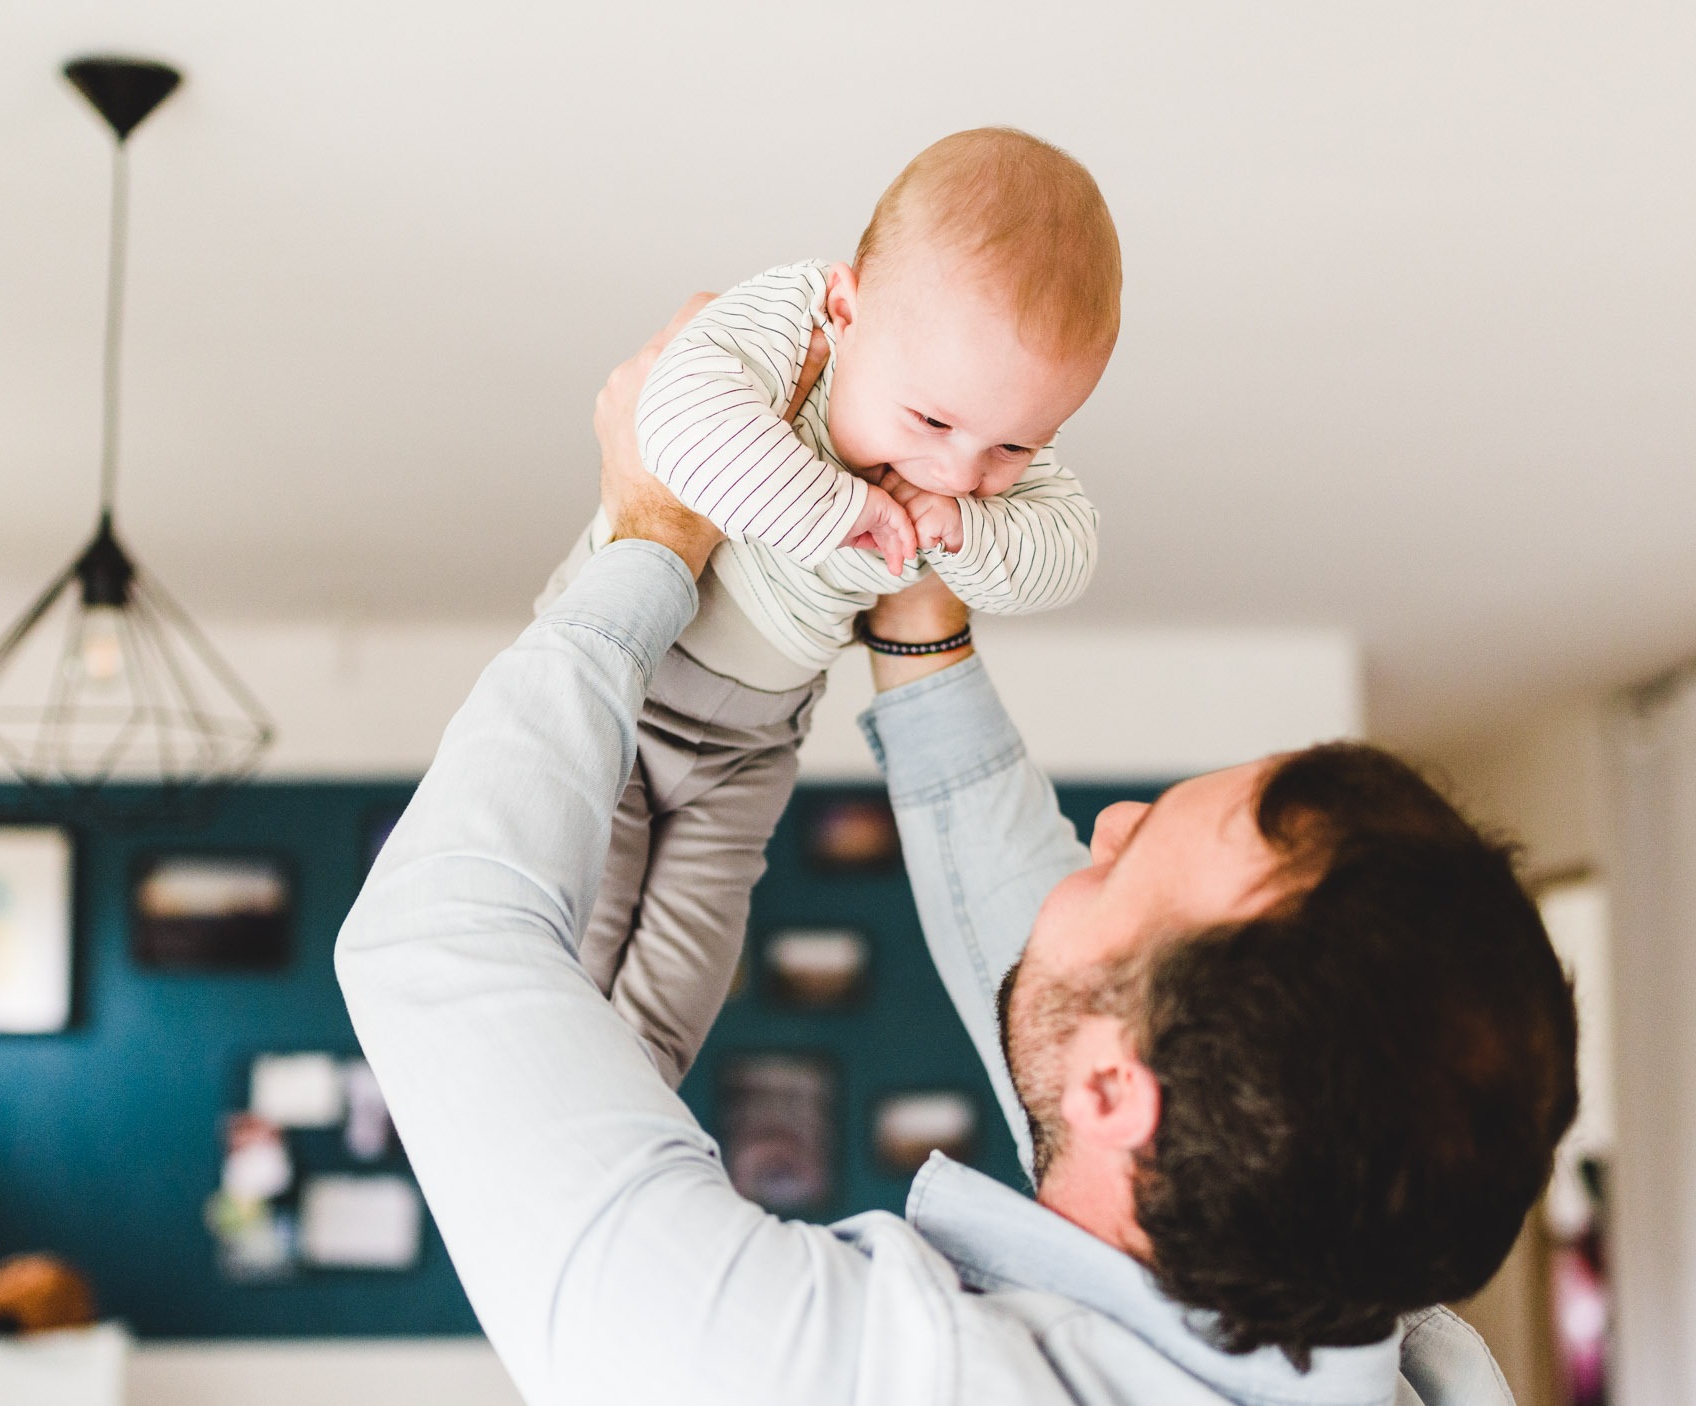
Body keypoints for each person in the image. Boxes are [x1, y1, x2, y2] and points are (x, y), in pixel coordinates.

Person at [336, 307, 1578, 1406]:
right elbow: (1077, 989)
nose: (1106, 825)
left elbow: (438, 939)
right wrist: (917, 616)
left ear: (1112, 1092)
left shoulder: (844, 1377)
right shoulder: (1376, 1321)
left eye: (1124, 868)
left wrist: (646, 540)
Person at [533, 128, 1110, 1087]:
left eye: (1013, 449)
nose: (957, 470)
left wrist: (974, 536)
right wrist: (847, 511)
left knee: (685, 981)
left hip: (751, 746)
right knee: (583, 933)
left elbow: (1069, 553)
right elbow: (673, 420)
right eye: (932, 423)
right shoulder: (789, 322)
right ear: (848, 308)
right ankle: (544, 1112)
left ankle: (620, 1115)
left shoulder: (973, 448)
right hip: (626, 685)